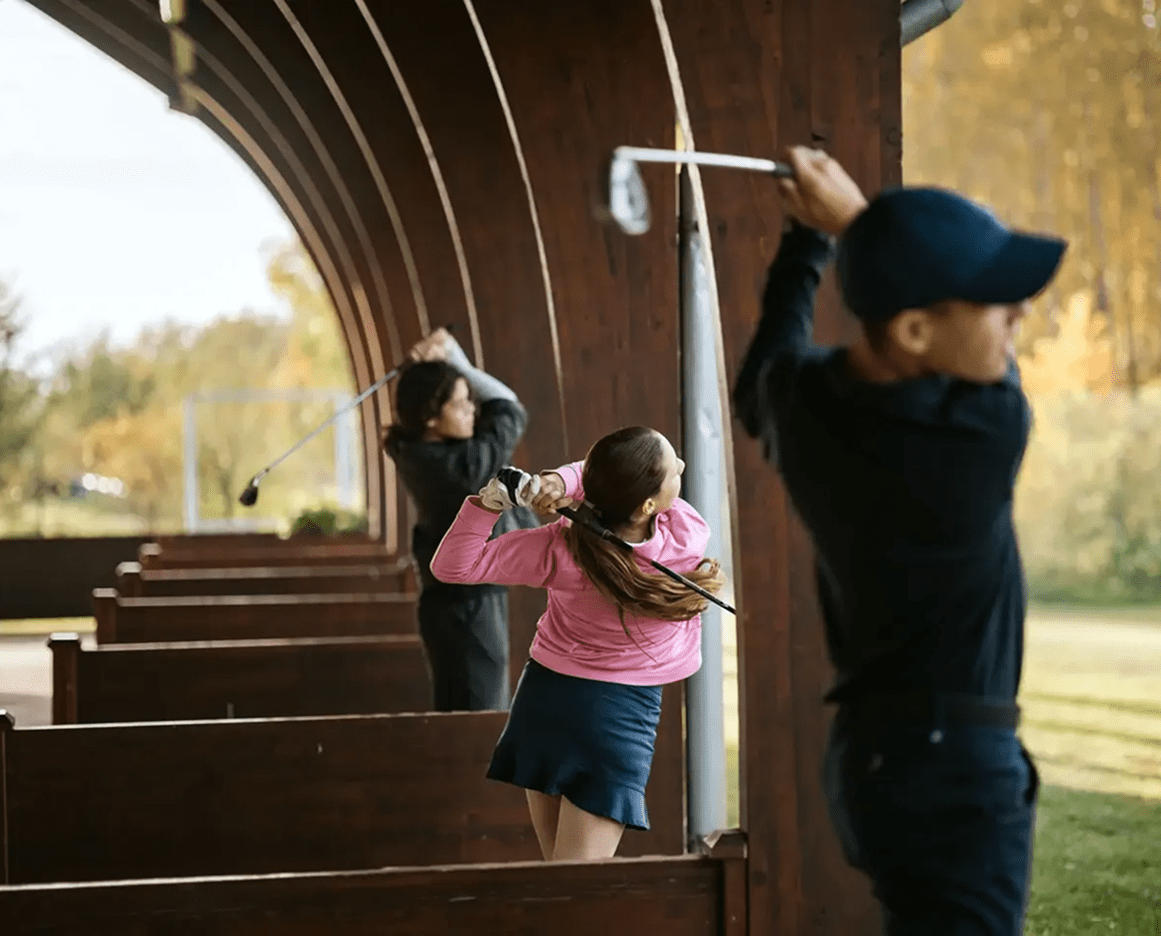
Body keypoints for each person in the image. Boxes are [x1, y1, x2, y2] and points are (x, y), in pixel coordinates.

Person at [732, 146, 1067, 935]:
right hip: (951, 770)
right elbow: (768, 368)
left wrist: (829, 239)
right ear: (914, 328)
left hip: (878, 760)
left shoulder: (807, 408)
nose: (1016, 318)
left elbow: (763, 373)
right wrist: (835, 227)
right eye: (994, 304)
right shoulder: (985, 431)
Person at [428, 426, 725, 861]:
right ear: (647, 505)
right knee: (574, 896)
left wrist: (492, 503)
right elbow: (603, 480)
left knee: (560, 883)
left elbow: (454, 566)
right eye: (673, 469)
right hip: (618, 717)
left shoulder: (560, 548)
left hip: (544, 699)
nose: (681, 466)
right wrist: (565, 487)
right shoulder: (685, 535)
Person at [383, 326, 534, 712]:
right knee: (478, 723)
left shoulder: (416, 449)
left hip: (458, 604)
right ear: (431, 417)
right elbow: (507, 405)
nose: (472, 409)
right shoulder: (464, 467)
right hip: (468, 610)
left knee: (472, 714)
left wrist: (447, 366)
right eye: (460, 402)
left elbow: (492, 407)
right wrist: (451, 356)